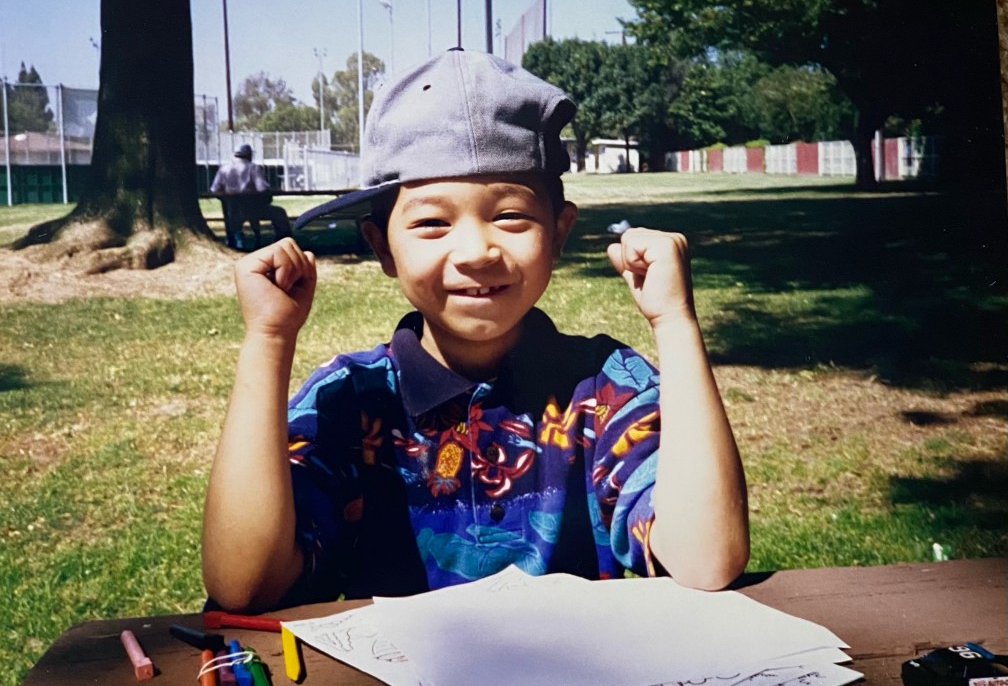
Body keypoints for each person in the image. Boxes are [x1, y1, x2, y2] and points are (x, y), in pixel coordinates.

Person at [202, 49, 749, 613]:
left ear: (559, 233)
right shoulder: (349, 399)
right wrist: (268, 342)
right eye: (432, 223)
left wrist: (675, 322)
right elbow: (244, 583)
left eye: (510, 216)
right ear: (380, 245)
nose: (476, 252)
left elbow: (706, 559)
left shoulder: (606, 388)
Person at [210, 143, 292, 250]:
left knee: (235, 215)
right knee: (279, 212)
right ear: (248, 155)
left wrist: (227, 198)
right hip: (253, 208)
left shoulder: (224, 169)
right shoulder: (252, 168)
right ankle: (283, 242)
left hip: (232, 211)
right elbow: (261, 188)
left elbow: (214, 189)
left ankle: (236, 238)